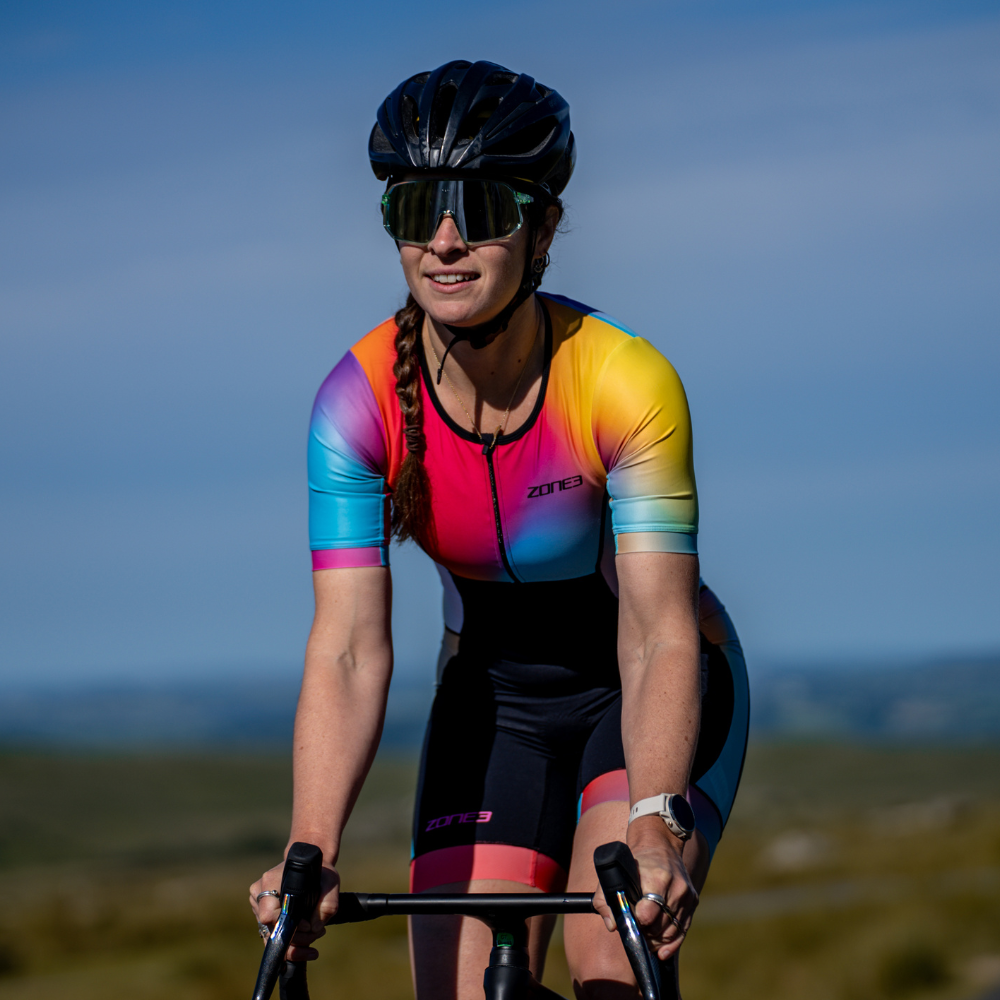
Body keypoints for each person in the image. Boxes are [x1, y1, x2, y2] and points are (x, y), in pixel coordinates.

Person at [250, 59, 749, 1000]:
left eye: (479, 207)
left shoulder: (623, 381)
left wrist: (654, 819)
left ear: (542, 228)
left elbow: (654, 632)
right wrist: (308, 846)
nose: (444, 238)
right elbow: (351, 647)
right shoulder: (355, 405)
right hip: (494, 702)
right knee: (457, 991)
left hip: (644, 685)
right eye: (414, 208)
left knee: (616, 962)